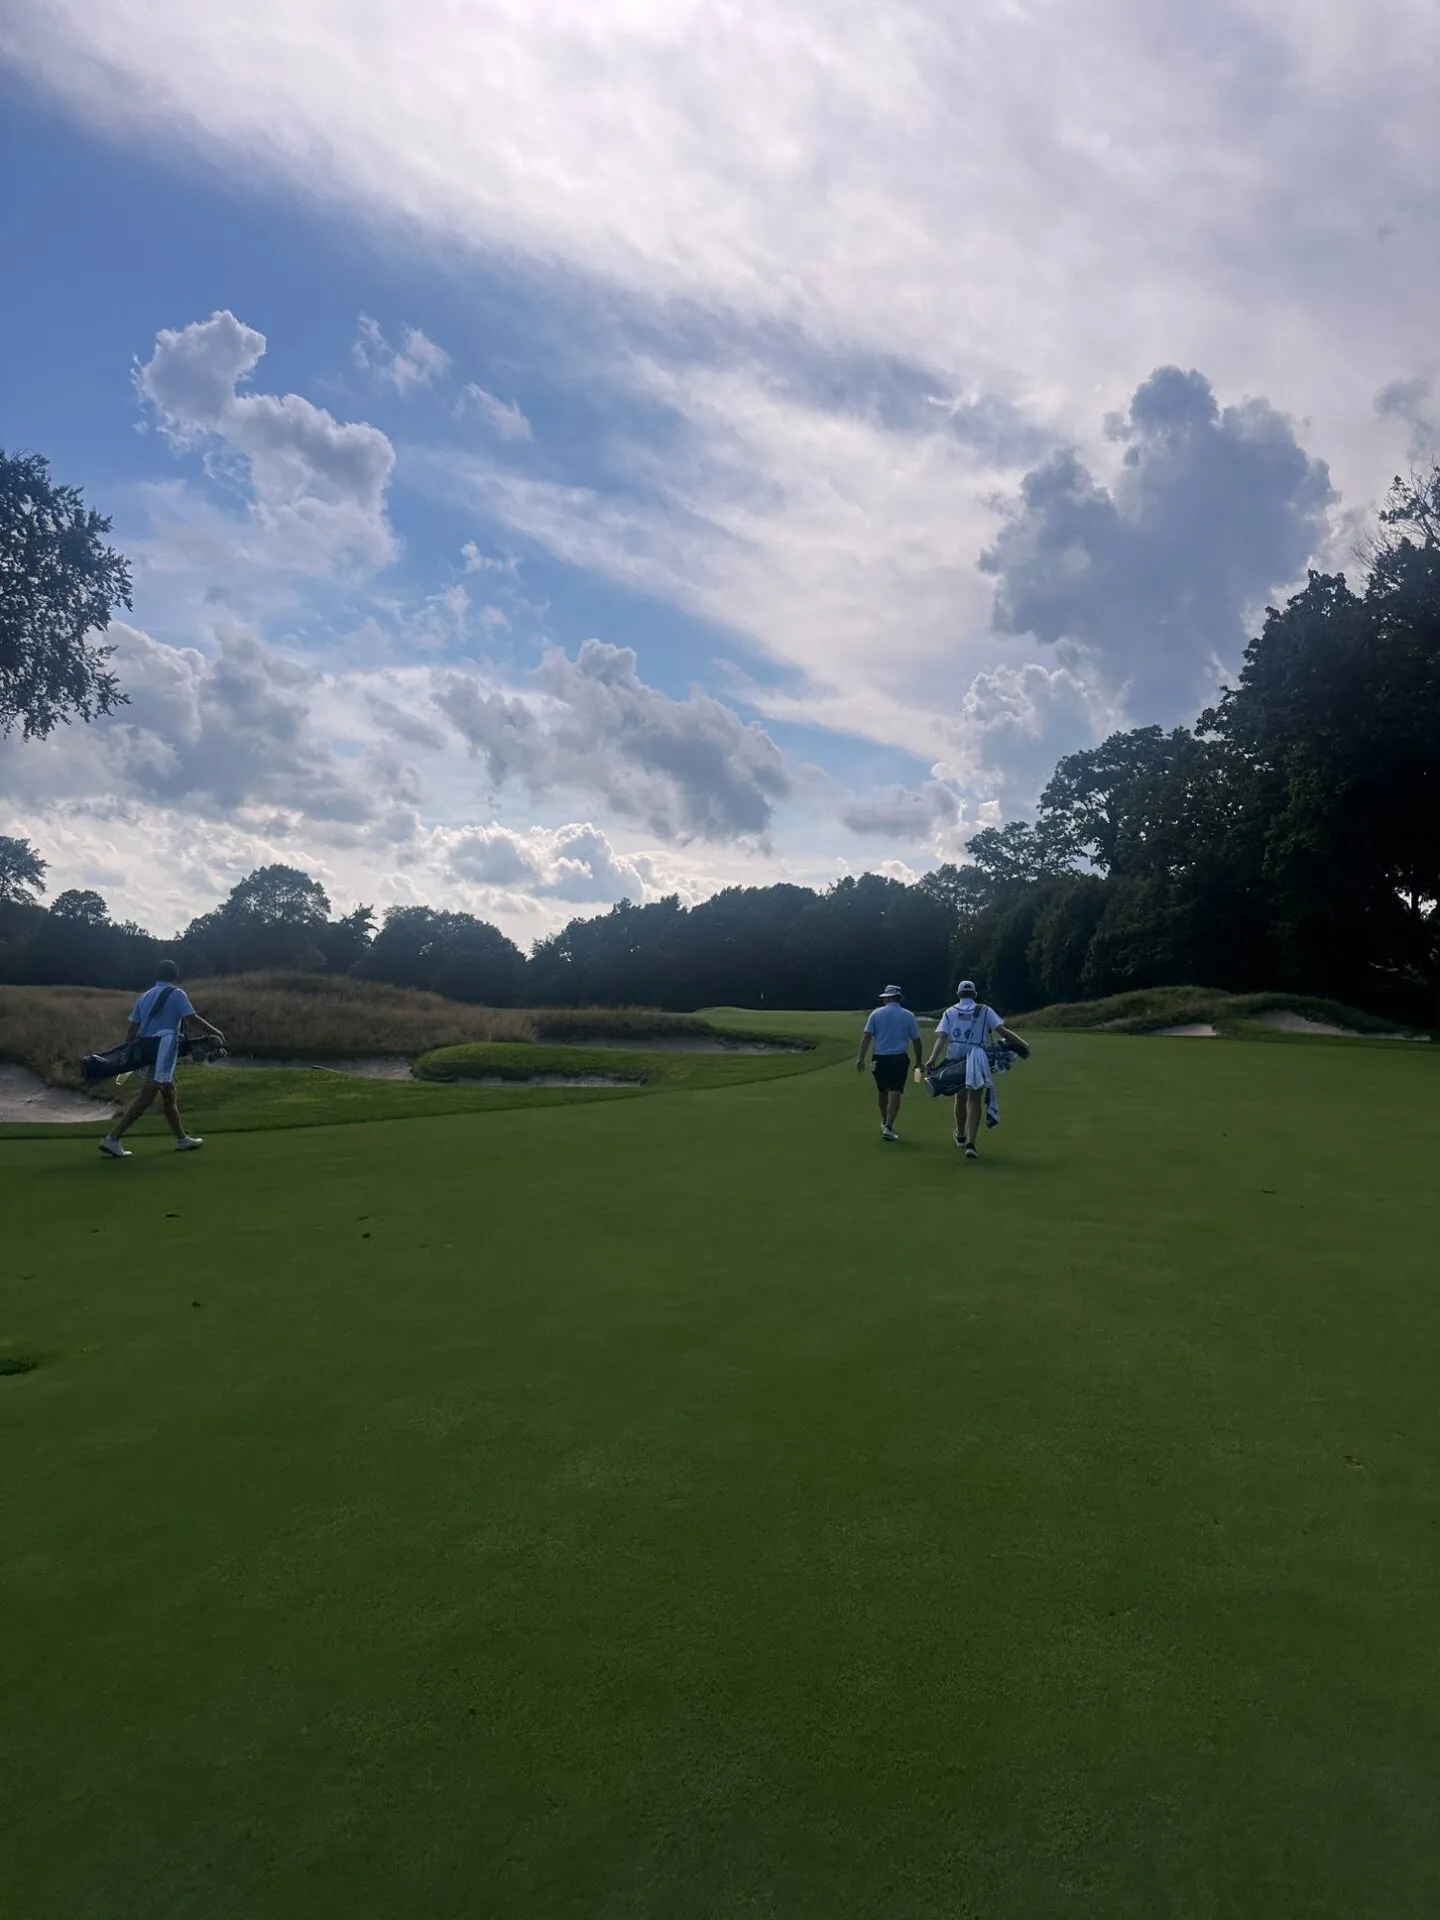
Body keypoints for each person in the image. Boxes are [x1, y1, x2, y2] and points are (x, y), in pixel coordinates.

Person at [98, 959, 224, 1159]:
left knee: (169, 1094)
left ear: (157, 974)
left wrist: (127, 1054)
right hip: (165, 1046)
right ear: (175, 975)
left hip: (148, 1047)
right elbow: (191, 1018)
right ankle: (113, 1138)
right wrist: (215, 1031)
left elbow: (132, 1029)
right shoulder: (177, 994)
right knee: (148, 1095)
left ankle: (182, 1139)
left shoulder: (144, 996)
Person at [923, 978, 1028, 1160]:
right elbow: (1003, 1032)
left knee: (960, 1097)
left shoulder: (949, 1012)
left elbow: (942, 1038)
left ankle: (961, 1135)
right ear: (974, 994)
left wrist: (932, 1059)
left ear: (958, 994)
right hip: (978, 1057)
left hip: (955, 1057)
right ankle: (971, 1143)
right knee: (974, 1099)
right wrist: (1023, 1044)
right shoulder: (984, 1010)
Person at [856, 983, 925, 1142]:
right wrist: (919, 1061)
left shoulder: (876, 1014)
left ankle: (885, 1121)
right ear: (899, 998)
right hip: (899, 1058)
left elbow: (867, 1037)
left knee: (882, 1090)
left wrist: (860, 1058)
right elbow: (916, 1041)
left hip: (879, 1058)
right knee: (895, 1090)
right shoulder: (908, 1015)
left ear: (887, 998)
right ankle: (888, 1124)